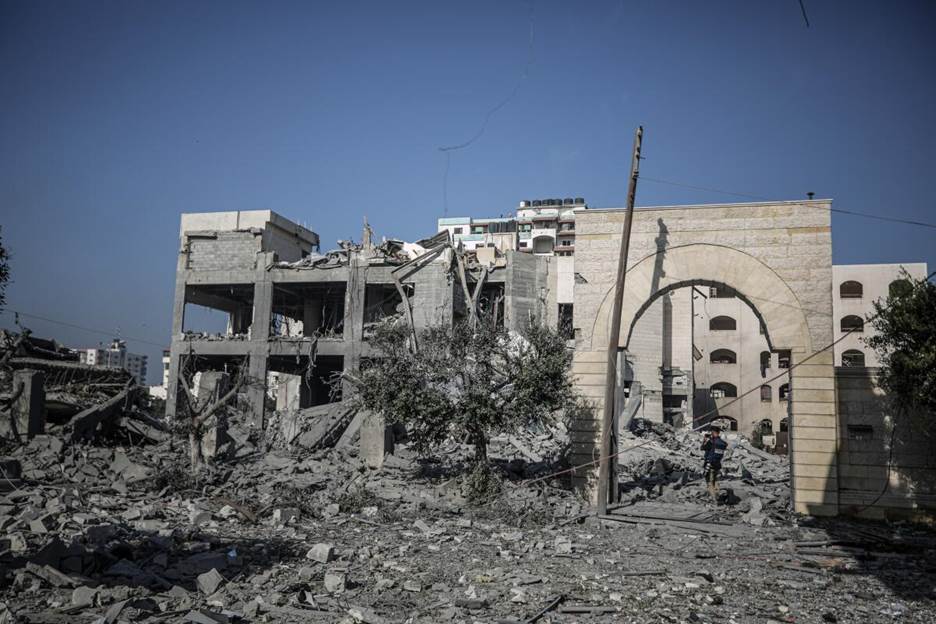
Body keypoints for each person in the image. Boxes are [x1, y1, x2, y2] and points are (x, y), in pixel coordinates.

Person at [701, 426, 728, 501]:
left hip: (710, 464)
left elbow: (702, 448)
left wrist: (705, 440)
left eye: (711, 432)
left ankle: (715, 500)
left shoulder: (711, 442)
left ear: (712, 432)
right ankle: (718, 495)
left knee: (709, 482)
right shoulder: (722, 443)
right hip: (717, 464)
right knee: (715, 481)